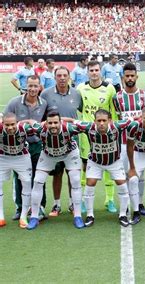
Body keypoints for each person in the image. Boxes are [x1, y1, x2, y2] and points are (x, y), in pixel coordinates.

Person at [74, 109, 133, 227]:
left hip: (114, 161)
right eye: (98, 120)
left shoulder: (117, 126)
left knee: (122, 183)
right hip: (95, 161)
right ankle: (90, 215)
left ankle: (122, 214)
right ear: (94, 121)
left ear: (109, 121)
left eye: (104, 120)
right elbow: (72, 121)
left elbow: (133, 120)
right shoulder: (88, 128)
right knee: (90, 183)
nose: (101, 123)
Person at [26, 112, 84, 230]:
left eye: (55, 122)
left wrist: (73, 120)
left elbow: (89, 127)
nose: (53, 125)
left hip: (69, 153)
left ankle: (78, 216)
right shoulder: (40, 129)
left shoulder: (69, 128)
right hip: (49, 154)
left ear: (60, 122)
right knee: (37, 181)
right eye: (50, 123)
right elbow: (30, 123)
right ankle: (34, 217)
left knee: (75, 179)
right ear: (45, 123)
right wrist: (19, 123)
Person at [40, 66, 82, 216]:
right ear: (55, 77)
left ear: (69, 77)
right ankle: (56, 204)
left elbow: (82, 114)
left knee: (72, 173)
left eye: (65, 75)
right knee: (57, 173)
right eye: (59, 75)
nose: (62, 78)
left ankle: (72, 203)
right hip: (54, 142)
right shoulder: (46, 94)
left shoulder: (77, 94)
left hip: (72, 141)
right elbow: (42, 116)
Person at [5, 75, 48, 222]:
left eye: (36, 86)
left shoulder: (44, 103)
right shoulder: (14, 102)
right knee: (19, 178)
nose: (33, 89)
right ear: (25, 86)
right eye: (30, 86)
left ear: (40, 87)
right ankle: (20, 208)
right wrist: (26, 121)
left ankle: (40, 207)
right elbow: (6, 122)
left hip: (37, 145)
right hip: (19, 145)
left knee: (39, 177)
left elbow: (48, 123)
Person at [77, 61, 118, 213]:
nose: (94, 73)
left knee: (108, 166)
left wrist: (113, 131)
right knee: (85, 166)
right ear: (87, 72)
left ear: (101, 71)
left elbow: (113, 112)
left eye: (96, 70)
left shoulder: (109, 88)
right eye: (91, 70)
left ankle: (110, 200)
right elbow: (79, 108)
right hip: (87, 134)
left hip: (106, 134)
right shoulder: (81, 88)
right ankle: (82, 200)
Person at [112, 63, 145, 215]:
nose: (130, 78)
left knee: (139, 176)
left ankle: (139, 203)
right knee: (124, 175)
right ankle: (126, 204)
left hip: (141, 142)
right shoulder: (117, 97)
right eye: (127, 76)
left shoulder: (144, 96)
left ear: (136, 77)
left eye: (132, 75)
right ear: (123, 77)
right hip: (122, 142)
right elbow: (117, 119)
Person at [0, 113, 35, 228]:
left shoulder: (24, 129)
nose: (10, 127)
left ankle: (23, 217)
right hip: (3, 157)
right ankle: (1, 217)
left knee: (26, 184)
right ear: (3, 124)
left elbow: (42, 128)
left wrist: (31, 121)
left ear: (17, 123)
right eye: (7, 125)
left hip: (22, 158)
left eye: (12, 124)